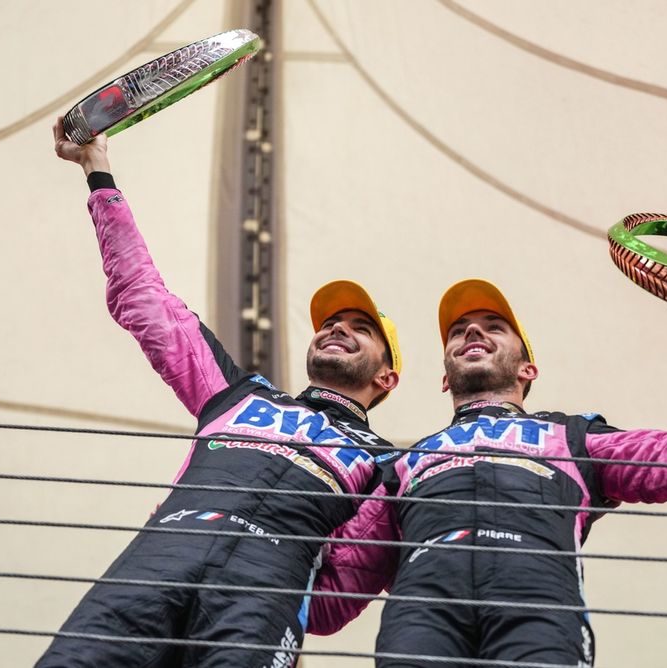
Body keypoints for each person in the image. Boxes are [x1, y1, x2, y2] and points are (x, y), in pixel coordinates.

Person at [308, 278, 667, 667]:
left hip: (539, 608)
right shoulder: (404, 464)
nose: (473, 330)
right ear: (445, 377)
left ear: (527, 368)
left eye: (493, 326)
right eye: (459, 331)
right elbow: (331, 598)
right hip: (421, 618)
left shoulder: (575, 437)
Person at [36, 119, 401, 668]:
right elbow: (144, 300)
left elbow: (332, 599)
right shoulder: (237, 394)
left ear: (385, 378)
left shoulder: (386, 465)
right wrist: (98, 170)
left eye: (361, 327)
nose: (336, 328)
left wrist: (277, 572)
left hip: (259, 599)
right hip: (157, 561)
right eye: (330, 322)